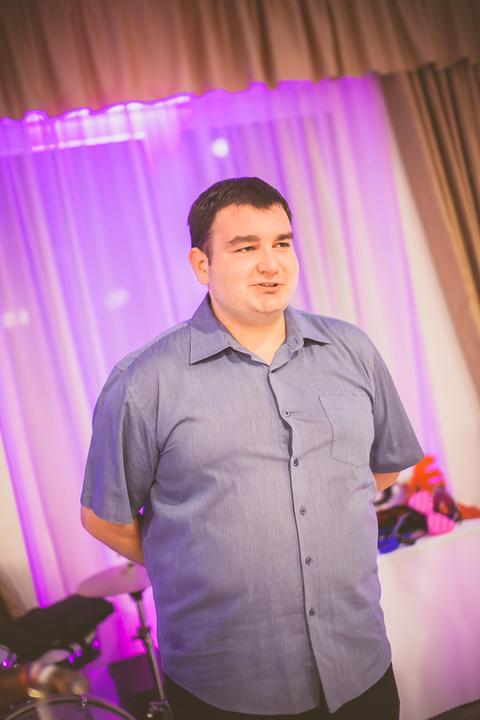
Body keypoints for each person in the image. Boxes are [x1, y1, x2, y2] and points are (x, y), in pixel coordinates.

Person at [81, 177, 424, 719]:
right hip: (226, 687)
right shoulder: (143, 382)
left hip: (359, 665)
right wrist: (197, 560)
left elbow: (381, 468)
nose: (271, 264)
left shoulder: (352, 349)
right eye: (245, 248)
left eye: (281, 243)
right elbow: (105, 518)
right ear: (201, 265)